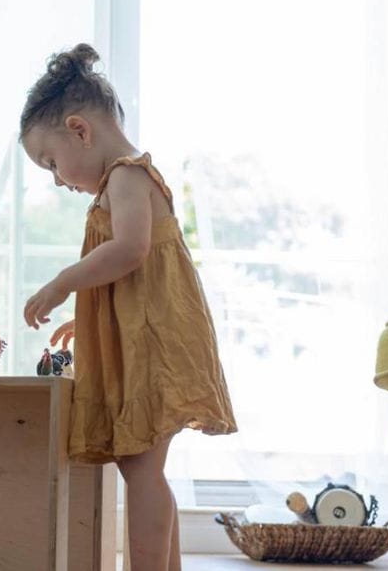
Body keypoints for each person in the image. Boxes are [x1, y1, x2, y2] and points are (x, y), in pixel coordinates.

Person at [19, 44, 237, 571]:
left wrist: (65, 283)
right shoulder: (117, 183)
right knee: (141, 466)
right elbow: (129, 276)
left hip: (158, 344)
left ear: (79, 129)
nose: (57, 178)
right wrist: (91, 312)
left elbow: (131, 250)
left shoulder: (128, 176)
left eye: (51, 162)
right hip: (145, 335)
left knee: (141, 468)